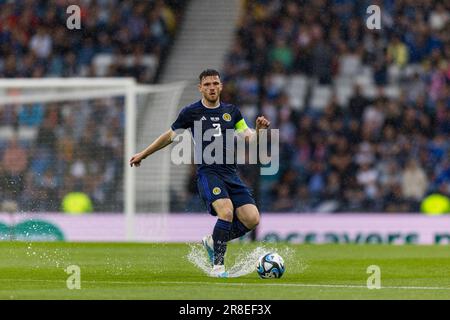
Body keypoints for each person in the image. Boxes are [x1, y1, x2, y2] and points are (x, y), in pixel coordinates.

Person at [129, 69, 270, 277]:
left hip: (230, 173)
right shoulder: (191, 112)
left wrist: (259, 131)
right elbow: (169, 136)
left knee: (252, 219)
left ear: (221, 86)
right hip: (209, 172)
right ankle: (218, 266)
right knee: (227, 212)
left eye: (215, 84)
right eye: (207, 85)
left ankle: (213, 241)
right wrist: (144, 153)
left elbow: (249, 138)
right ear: (200, 88)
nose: (212, 88)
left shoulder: (232, 112)